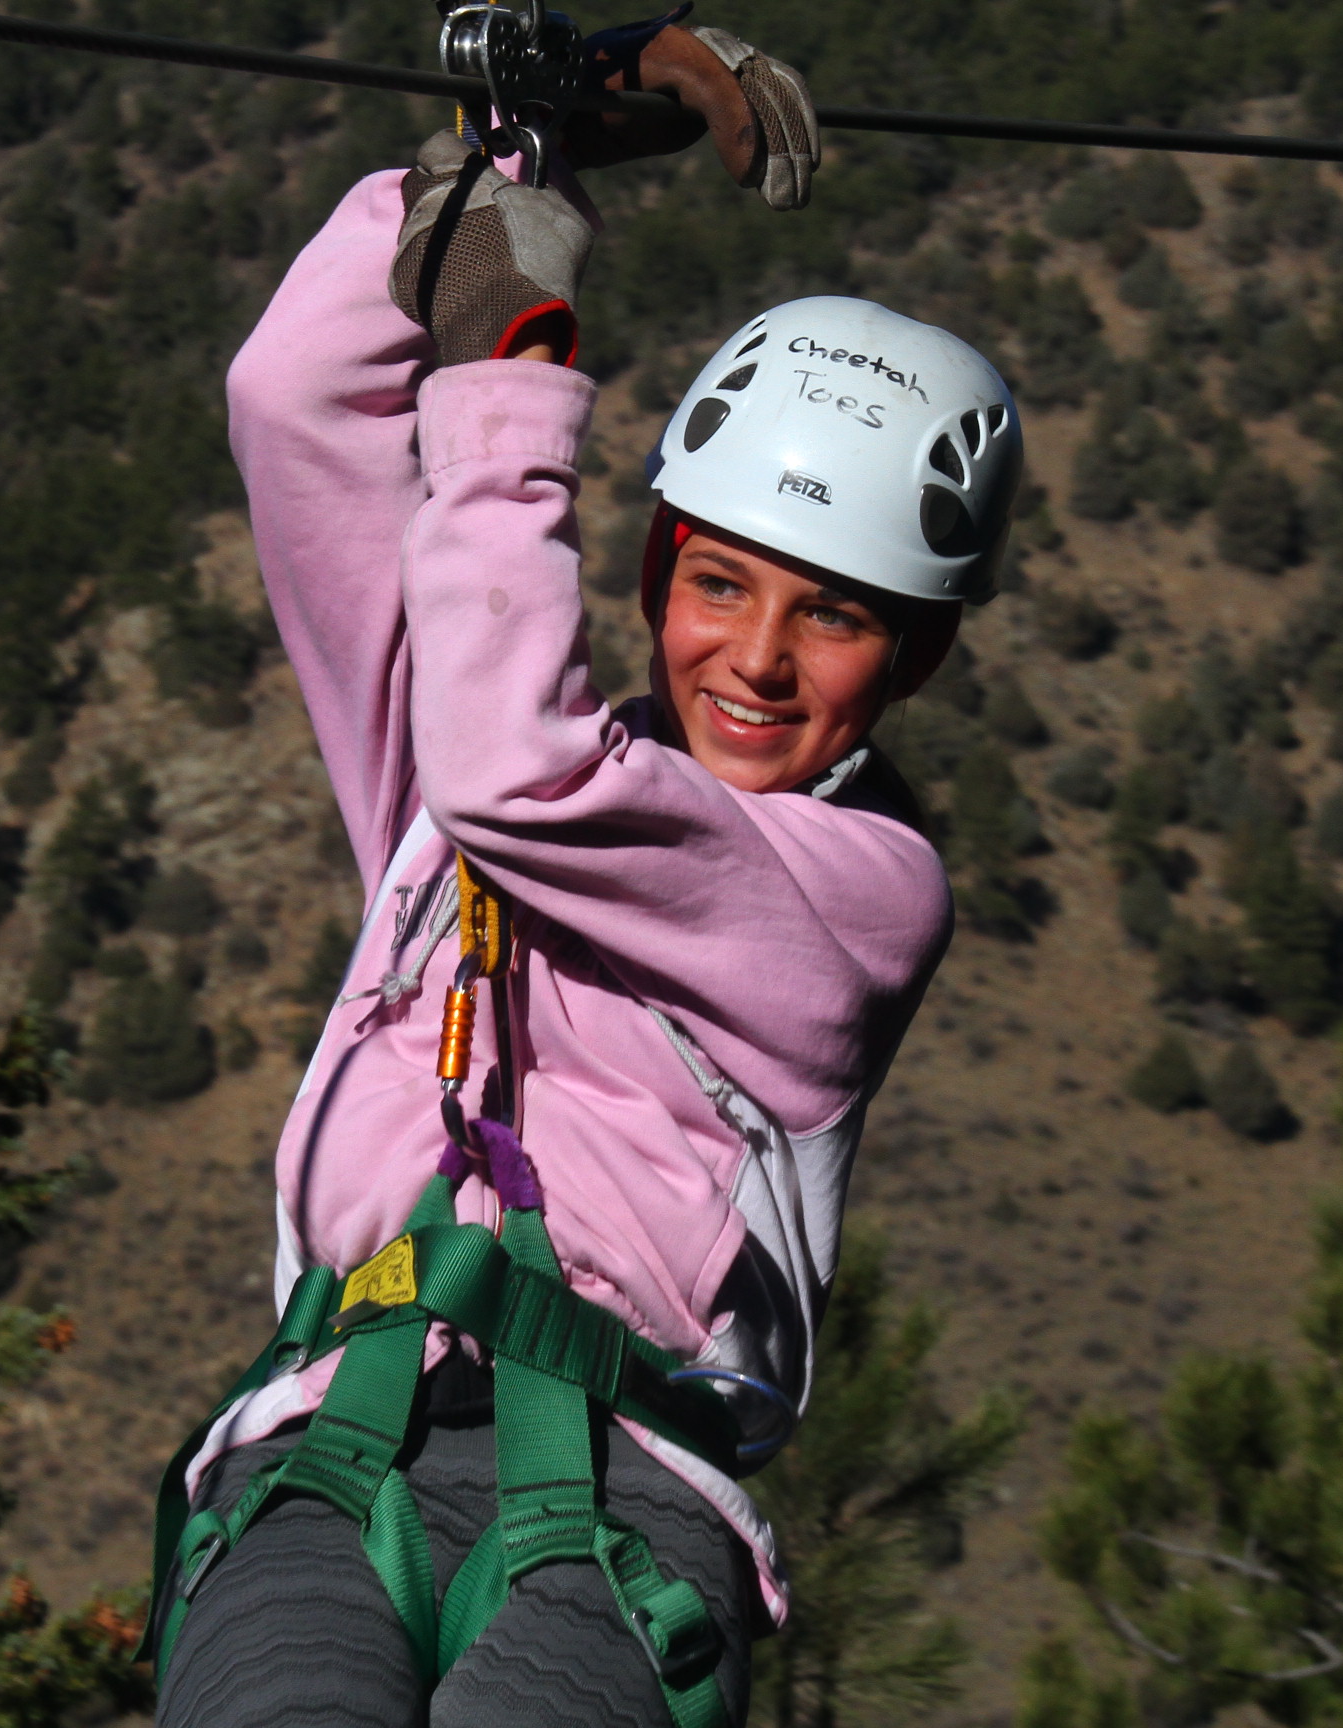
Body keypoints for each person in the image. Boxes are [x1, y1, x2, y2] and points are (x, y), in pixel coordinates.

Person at [141, 25, 1023, 1726]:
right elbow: (294, 405)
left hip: (625, 1506)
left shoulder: (860, 890)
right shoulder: (468, 766)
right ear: (649, 566)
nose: (757, 661)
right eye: (718, 586)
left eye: (834, 617)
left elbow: (516, 770)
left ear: (911, 665)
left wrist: (514, 349)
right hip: (332, 1444)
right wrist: (495, 173)